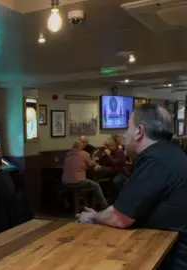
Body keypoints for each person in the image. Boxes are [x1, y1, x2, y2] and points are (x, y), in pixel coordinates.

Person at [76, 104, 187, 270]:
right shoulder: (172, 153)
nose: (124, 133)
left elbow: (120, 218)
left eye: (128, 127)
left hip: (170, 257)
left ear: (139, 131)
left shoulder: (155, 160)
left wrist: (94, 217)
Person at [62, 141, 108, 210]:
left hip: (65, 182)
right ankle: (104, 205)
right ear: (81, 147)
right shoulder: (84, 154)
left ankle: (73, 205)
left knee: (90, 186)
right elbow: (92, 164)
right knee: (96, 185)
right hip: (78, 181)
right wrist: (93, 155)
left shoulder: (68, 154)